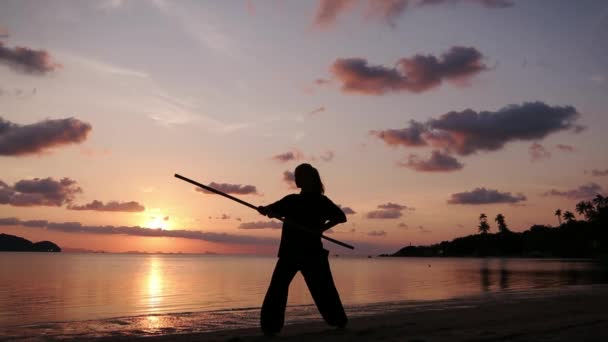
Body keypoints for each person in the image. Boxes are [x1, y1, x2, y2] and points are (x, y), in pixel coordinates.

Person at [257, 163, 348, 336]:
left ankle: (339, 321)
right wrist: (265, 210)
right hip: (290, 253)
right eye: (295, 175)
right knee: (278, 288)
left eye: (298, 176)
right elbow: (271, 209)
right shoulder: (291, 200)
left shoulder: (320, 201)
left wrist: (320, 229)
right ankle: (270, 328)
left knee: (323, 289)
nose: (296, 179)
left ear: (308, 179)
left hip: (310, 253)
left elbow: (341, 217)